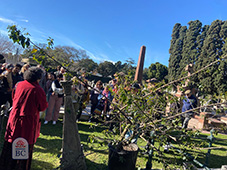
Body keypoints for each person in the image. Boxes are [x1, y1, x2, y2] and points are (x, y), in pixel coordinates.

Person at [0, 67, 48, 170]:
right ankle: (19, 167)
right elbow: (42, 106)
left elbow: (13, 98)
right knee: (23, 143)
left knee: (11, 141)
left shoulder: (19, 84)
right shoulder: (37, 90)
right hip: (27, 121)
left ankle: (6, 165)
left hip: (14, 118)